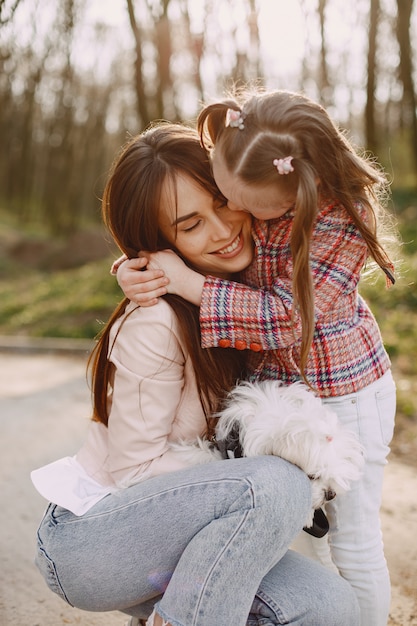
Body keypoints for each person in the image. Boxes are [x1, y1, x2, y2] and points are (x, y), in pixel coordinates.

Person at [31, 122, 360, 626]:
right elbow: (134, 471)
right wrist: (247, 475)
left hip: (182, 543)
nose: (223, 230)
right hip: (95, 540)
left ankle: (180, 610)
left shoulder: (252, 296)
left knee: (333, 609)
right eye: (190, 226)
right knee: (275, 485)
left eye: (221, 202)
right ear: (160, 244)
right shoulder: (157, 322)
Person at [116, 91, 399, 626]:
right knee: (308, 532)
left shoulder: (339, 220)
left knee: (354, 536)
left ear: (295, 186)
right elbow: (183, 229)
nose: (233, 213)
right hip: (283, 398)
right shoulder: (260, 184)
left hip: (344, 392)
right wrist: (135, 266)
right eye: (224, 193)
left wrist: (191, 285)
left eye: (236, 201)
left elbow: (290, 320)